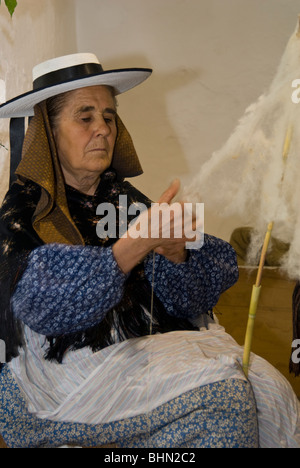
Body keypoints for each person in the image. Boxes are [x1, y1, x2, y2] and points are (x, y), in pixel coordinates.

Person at [0, 53, 278, 448]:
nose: (103, 129)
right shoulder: (20, 216)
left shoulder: (126, 203)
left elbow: (200, 289)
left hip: (133, 363)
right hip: (55, 384)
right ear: (48, 132)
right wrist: (128, 251)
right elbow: (40, 304)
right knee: (225, 396)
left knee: (266, 389)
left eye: (109, 117)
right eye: (85, 117)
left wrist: (175, 253)